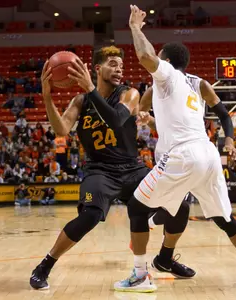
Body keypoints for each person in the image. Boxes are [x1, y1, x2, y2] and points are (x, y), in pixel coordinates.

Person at [115, 5, 236, 293]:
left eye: (160, 58)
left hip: (182, 157)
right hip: (207, 154)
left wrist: (136, 28)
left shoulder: (167, 76)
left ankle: (140, 275)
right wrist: (227, 139)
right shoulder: (198, 84)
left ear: (166, 60)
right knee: (223, 218)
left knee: (137, 207)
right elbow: (222, 114)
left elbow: (144, 55)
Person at [29, 45, 194, 290]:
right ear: (97, 68)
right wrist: (46, 97)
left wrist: (90, 88)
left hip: (132, 169)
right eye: (113, 64)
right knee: (90, 216)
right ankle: (44, 265)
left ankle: (165, 259)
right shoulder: (81, 100)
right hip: (99, 171)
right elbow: (61, 129)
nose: (119, 69)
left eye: (121, 65)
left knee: (180, 204)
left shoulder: (130, 94)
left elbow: (116, 119)